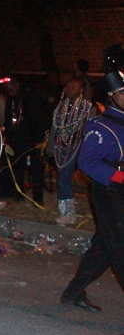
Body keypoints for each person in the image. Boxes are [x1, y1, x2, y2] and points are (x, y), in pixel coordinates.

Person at [60, 70, 124, 312]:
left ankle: (73, 292)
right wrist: (120, 176)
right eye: (123, 92)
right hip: (110, 190)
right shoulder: (100, 125)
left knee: (106, 246)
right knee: (120, 243)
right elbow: (87, 163)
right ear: (111, 96)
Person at [0, 75, 51, 205]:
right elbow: (9, 119)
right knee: (17, 167)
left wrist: (39, 139)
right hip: (17, 139)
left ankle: (38, 198)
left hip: (33, 139)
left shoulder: (31, 97)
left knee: (36, 170)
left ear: (17, 85)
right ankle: (18, 195)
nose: (9, 90)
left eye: (11, 87)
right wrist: (7, 136)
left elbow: (39, 119)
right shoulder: (11, 100)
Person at [49, 78, 92, 225]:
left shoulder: (87, 108)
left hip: (77, 148)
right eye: (67, 86)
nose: (69, 88)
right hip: (61, 148)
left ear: (81, 90)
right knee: (63, 178)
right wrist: (51, 146)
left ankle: (69, 213)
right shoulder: (60, 108)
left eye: (73, 86)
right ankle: (66, 212)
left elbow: (90, 132)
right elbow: (55, 128)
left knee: (63, 179)